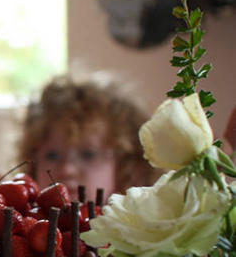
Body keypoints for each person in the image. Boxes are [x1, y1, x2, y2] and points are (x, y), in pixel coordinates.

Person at [16, 74, 161, 202]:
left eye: (88, 154)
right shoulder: (25, 229)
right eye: (52, 155)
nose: (67, 170)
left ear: (128, 164)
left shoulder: (146, 229)